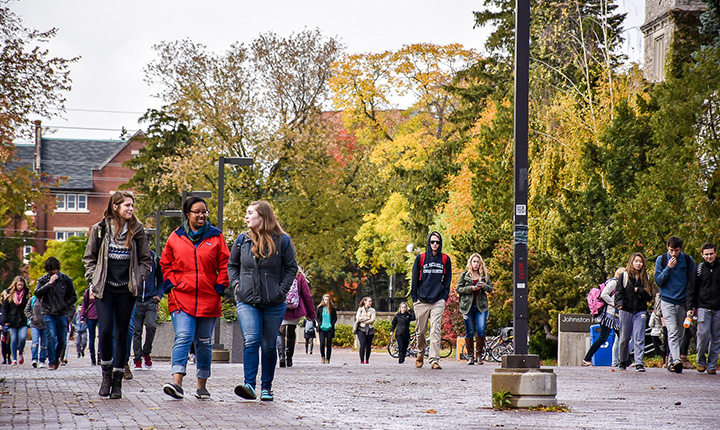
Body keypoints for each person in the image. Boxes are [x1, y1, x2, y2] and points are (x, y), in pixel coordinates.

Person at [83, 191, 152, 399]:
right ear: (116, 207)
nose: (130, 209)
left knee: (122, 333)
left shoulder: (138, 230)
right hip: (105, 288)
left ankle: (118, 381)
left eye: (132, 206)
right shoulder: (100, 230)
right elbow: (89, 258)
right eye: (127, 206)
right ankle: (106, 376)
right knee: (104, 331)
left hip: (127, 289)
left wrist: (138, 279)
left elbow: (146, 260)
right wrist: (92, 279)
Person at [160, 196, 230, 400]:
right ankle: (177, 383)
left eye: (204, 211)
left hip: (209, 297)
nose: (201, 215)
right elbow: (165, 264)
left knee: (204, 341)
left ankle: (202, 385)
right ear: (187, 214)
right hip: (182, 296)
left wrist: (219, 286)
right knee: (183, 336)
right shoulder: (175, 237)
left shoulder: (216, 237)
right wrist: (172, 284)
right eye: (197, 211)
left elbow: (225, 263)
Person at [228, 201, 298, 402]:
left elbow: (291, 268)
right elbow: (232, 266)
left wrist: (281, 291)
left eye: (250, 213)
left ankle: (266, 388)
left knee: (268, 346)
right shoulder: (242, 240)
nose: (246, 217)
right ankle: (249, 384)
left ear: (263, 217)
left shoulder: (283, 241)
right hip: (247, 300)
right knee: (251, 340)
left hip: (274, 302)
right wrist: (237, 286)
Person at [411, 231, 452, 370]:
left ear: (440, 244)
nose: (435, 244)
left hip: (437, 300)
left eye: (437, 242)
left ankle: (434, 360)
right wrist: (414, 298)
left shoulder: (445, 259)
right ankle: (420, 353)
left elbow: (447, 280)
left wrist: (444, 297)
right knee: (420, 331)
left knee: (435, 329)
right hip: (421, 300)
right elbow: (414, 279)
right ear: (429, 242)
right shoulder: (421, 258)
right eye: (432, 242)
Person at [654, 236, 694, 373]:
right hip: (667, 300)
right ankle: (677, 360)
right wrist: (668, 268)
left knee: (680, 334)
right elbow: (658, 281)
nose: (673, 254)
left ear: (680, 249)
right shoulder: (662, 260)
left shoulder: (687, 261)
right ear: (667, 248)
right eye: (671, 250)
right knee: (671, 331)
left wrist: (691, 304)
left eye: (676, 251)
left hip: (682, 302)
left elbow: (692, 283)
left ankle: (672, 362)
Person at [35, 256, 77, 371]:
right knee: (51, 336)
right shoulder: (43, 280)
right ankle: (52, 362)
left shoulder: (66, 279)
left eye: (55, 269)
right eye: (51, 270)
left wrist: (65, 304)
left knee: (62, 339)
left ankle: (57, 357)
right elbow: (37, 293)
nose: (53, 272)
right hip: (48, 312)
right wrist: (49, 283)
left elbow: (73, 297)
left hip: (62, 313)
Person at [615, 253, 653, 372]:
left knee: (639, 337)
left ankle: (639, 363)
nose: (638, 264)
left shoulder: (645, 277)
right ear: (631, 262)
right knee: (624, 338)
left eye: (640, 261)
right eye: (636, 261)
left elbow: (649, 296)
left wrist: (640, 290)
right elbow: (618, 291)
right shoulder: (624, 276)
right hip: (626, 309)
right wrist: (619, 304)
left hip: (640, 310)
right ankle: (622, 360)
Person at [687, 242, 720, 375]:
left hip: (718, 308)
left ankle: (711, 365)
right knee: (702, 335)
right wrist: (690, 307)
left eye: (711, 254)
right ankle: (701, 362)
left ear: (715, 253)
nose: (709, 257)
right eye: (706, 254)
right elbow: (691, 290)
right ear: (702, 255)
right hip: (703, 308)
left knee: (716, 338)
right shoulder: (699, 269)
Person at [582, 267, 624, 367]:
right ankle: (587, 358)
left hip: (615, 317)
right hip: (608, 316)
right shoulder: (614, 283)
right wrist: (614, 304)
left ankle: (625, 361)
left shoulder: (620, 284)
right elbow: (604, 294)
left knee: (622, 338)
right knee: (603, 338)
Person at [456, 253, 493, 365]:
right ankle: (470, 356)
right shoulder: (465, 275)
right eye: (474, 261)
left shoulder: (485, 275)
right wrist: (471, 288)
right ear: (470, 263)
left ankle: (479, 355)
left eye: (478, 262)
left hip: (481, 307)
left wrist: (483, 286)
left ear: (480, 263)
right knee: (469, 331)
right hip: (467, 307)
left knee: (481, 329)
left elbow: (490, 289)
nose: (476, 264)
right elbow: (459, 289)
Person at [277, 268, 316, 368]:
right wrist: (311, 313)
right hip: (296, 310)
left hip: (281, 308)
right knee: (291, 332)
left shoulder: (279, 273)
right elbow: (307, 295)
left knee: (280, 332)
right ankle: (289, 359)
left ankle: (281, 356)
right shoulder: (299, 277)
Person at [133, 247, 164, 370]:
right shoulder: (134, 259)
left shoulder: (155, 259)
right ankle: (137, 359)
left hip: (151, 300)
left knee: (151, 326)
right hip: (136, 301)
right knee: (137, 331)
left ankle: (146, 352)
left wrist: (159, 295)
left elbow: (161, 281)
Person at [1, 276, 31, 365]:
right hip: (12, 321)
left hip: (23, 320)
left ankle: (20, 352)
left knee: (22, 338)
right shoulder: (10, 294)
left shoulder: (27, 294)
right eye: (18, 285)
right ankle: (14, 358)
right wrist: (4, 320)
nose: (20, 287)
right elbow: (4, 308)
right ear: (15, 285)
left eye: (22, 285)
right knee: (13, 339)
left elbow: (31, 307)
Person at [24, 291, 47, 367]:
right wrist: (32, 317)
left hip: (45, 325)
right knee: (35, 342)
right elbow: (26, 310)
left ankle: (42, 360)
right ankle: (34, 359)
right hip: (34, 324)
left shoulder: (48, 299)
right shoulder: (33, 299)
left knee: (44, 344)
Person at [316, 294, 337, 364]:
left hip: (330, 329)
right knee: (322, 344)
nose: (327, 301)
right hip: (322, 328)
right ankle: (322, 356)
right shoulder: (320, 308)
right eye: (325, 300)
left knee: (329, 344)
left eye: (328, 300)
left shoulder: (332, 308)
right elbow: (317, 317)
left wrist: (331, 324)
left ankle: (328, 358)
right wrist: (320, 323)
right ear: (323, 300)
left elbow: (335, 318)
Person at [355, 297, 376, 364]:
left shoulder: (373, 310)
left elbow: (372, 320)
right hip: (361, 328)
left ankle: (367, 359)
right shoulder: (360, 309)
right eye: (369, 301)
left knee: (368, 345)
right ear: (365, 301)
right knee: (362, 344)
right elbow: (358, 318)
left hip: (370, 329)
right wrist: (367, 318)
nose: (370, 303)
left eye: (371, 301)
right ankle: (362, 360)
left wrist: (364, 320)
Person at [81, 288, 99, 365]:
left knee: (102, 336)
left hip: (101, 316)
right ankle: (93, 358)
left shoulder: (102, 289)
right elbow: (84, 304)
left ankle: (100, 356)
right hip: (90, 316)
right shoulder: (88, 291)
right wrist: (82, 316)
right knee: (92, 337)